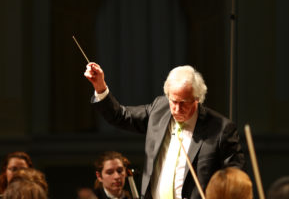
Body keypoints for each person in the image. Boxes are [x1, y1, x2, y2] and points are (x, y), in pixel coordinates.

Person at [84, 63, 245, 199]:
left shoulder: (221, 128)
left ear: (197, 98)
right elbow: (120, 116)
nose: (176, 109)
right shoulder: (159, 109)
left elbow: (234, 180)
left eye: (184, 103)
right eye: (173, 101)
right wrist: (100, 87)